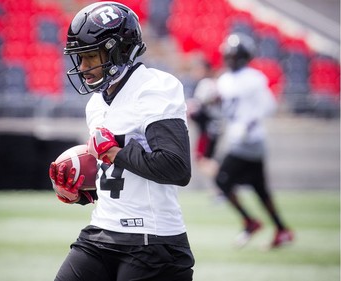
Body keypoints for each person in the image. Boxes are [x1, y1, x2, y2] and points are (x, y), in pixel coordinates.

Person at [49, 2, 195, 281]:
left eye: (90, 56)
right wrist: (83, 195)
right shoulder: (96, 104)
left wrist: (115, 152)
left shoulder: (154, 88)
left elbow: (177, 167)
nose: (83, 67)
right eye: (80, 58)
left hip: (152, 241)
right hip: (101, 232)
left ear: (120, 49)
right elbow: (121, 180)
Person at [213, 33, 294, 249]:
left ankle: (250, 222)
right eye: (227, 55)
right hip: (240, 140)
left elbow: (269, 105)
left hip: (250, 141)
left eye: (233, 55)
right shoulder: (225, 79)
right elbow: (226, 105)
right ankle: (282, 230)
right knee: (260, 189)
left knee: (222, 180)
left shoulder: (253, 78)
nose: (229, 59)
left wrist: (249, 122)